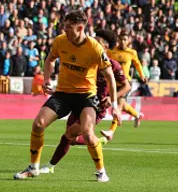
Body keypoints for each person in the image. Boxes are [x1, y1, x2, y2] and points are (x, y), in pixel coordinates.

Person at [14, 10, 121, 183]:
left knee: (87, 132)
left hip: (86, 95)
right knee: (38, 124)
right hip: (63, 93)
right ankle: (33, 168)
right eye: (64, 26)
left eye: (69, 27)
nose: (65, 30)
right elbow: (49, 60)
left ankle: (101, 171)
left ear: (80, 28)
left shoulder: (94, 47)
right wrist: (47, 78)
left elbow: (110, 76)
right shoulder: (60, 41)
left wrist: (115, 105)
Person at [39, 29, 131, 174]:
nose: (92, 42)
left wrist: (112, 99)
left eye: (98, 41)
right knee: (73, 139)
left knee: (69, 135)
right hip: (79, 101)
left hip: (95, 107)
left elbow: (127, 86)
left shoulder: (113, 65)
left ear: (105, 47)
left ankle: (50, 166)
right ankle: (98, 142)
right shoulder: (86, 60)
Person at [107, 31, 146, 128]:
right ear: (118, 40)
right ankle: (137, 115)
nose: (122, 41)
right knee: (123, 106)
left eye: (125, 39)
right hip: (113, 83)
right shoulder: (111, 52)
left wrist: (142, 75)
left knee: (118, 107)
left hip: (125, 83)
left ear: (128, 41)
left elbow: (137, 64)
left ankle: (110, 132)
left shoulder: (132, 52)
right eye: (121, 39)